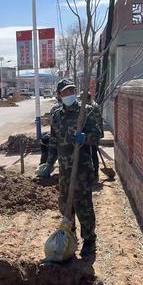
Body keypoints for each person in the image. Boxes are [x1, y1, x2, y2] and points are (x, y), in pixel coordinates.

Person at [39, 80, 102, 257]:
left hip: (81, 168)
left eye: (72, 91)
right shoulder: (56, 116)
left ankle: (89, 240)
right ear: (59, 95)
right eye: (66, 92)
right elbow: (53, 141)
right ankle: (70, 236)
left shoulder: (85, 112)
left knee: (83, 206)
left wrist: (86, 137)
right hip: (65, 171)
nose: (69, 95)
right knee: (65, 205)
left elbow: (98, 136)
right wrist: (49, 163)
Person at [80, 91, 104, 181]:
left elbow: (98, 121)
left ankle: (95, 173)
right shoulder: (89, 106)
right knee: (89, 153)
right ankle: (91, 173)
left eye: (81, 99)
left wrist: (97, 135)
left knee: (93, 153)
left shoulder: (93, 107)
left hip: (93, 134)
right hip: (89, 134)